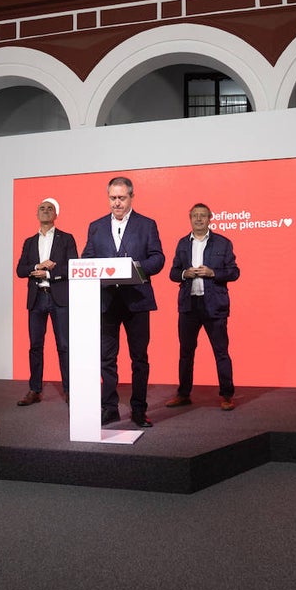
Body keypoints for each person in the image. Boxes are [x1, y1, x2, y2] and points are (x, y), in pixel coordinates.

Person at [81, 176, 165, 428]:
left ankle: (139, 410)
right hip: (106, 302)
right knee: (107, 359)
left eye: (122, 198)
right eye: (113, 198)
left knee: (139, 358)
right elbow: (87, 258)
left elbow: (158, 258)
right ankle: (109, 408)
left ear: (131, 197)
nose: (117, 203)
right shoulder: (95, 226)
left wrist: (135, 268)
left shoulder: (147, 224)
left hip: (137, 301)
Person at [164, 202, 240, 411]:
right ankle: (183, 394)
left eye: (203, 216)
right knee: (186, 352)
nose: (198, 219)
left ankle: (226, 395)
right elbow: (172, 273)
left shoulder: (223, 243)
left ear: (210, 218)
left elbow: (234, 272)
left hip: (214, 305)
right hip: (189, 306)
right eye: (195, 216)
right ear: (190, 219)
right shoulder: (182, 244)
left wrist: (213, 273)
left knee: (221, 352)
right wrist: (183, 274)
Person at [15, 199, 77, 407]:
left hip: (58, 296)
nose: (45, 211)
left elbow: (72, 268)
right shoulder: (29, 242)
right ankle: (35, 390)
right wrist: (37, 266)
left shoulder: (66, 239)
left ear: (56, 214)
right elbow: (21, 270)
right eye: (42, 208)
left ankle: (70, 390)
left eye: (50, 208)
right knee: (35, 346)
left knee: (64, 345)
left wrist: (49, 273)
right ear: (37, 213)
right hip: (36, 298)